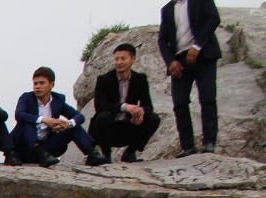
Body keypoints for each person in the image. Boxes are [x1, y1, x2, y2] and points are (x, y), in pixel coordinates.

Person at [12, 67, 108, 167]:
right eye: (35, 83)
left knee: (73, 126)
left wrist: (68, 124)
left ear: (51, 85)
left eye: (41, 83)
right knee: (27, 123)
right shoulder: (27, 98)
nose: (37, 87)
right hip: (25, 148)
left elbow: (79, 116)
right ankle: (42, 155)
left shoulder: (58, 100)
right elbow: (19, 114)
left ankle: (92, 153)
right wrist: (44, 120)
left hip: (48, 147)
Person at [159, 0, 222, 156]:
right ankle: (187, 146)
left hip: (204, 54)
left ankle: (209, 142)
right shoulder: (167, 9)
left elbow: (214, 18)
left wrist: (197, 45)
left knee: (207, 98)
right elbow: (162, 39)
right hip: (179, 60)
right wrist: (170, 61)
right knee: (179, 103)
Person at [90, 43, 162, 162]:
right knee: (103, 116)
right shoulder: (104, 79)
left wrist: (140, 111)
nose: (119, 62)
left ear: (133, 59)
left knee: (153, 118)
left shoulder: (140, 79)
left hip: (128, 125)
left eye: (123, 58)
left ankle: (130, 152)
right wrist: (125, 107)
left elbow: (148, 105)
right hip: (108, 127)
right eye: (116, 59)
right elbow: (100, 106)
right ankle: (106, 155)